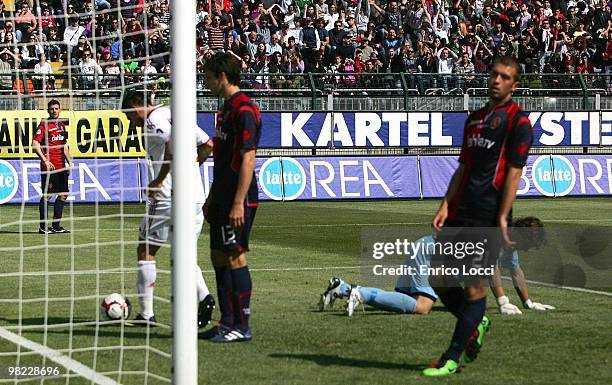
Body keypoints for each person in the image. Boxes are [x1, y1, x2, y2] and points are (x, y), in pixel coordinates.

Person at [424, 55, 533, 377]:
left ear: (514, 85)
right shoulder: (474, 119)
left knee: (474, 288)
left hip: (487, 214)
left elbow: (514, 170)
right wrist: (445, 204)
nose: (497, 80)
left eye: (505, 77)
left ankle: (452, 357)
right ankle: (477, 321)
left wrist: (502, 216)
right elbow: (463, 167)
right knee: (438, 279)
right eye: (494, 74)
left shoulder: (518, 122)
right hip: (461, 210)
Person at [320, 217, 550, 317]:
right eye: (534, 243)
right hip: (430, 254)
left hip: (425, 248)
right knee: (422, 307)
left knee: (402, 303)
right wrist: (503, 302)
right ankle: (359, 294)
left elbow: (516, 272)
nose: (533, 249)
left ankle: (344, 288)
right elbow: (492, 270)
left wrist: (528, 302)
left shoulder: (510, 245)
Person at [121, 91, 216, 328]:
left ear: (135, 106)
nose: (130, 122)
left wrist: (160, 179)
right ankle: (204, 295)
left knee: (146, 249)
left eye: (128, 116)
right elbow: (207, 145)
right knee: (183, 253)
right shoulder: (176, 114)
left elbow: (171, 143)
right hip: (195, 195)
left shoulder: (153, 121)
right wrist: (190, 169)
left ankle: (146, 314)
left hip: (167, 197)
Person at [200, 53, 261, 343]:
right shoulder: (224, 110)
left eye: (207, 76)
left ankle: (242, 324)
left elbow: (248, 159)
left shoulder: (244, 109)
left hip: (239, 197)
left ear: (221, 76)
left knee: (236, 255)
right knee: (218, 256)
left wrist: (238, 201)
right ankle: (226, 322)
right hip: (221, 195)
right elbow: (223, 160)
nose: (205, 81)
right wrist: (212, 196)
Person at [32, 100, 73, 234]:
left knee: (63, 195)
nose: (54, 111)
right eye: (51, 109)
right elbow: (35, 144)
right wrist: (44, 160)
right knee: (47, 196)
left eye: (56, 108)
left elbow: (64, 146)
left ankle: (55, 226)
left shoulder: (61, 124)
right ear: (48, 110)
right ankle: (42, 227)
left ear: (60, 110)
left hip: (61, 165)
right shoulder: (44, 124)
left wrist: (70, 162)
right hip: (50, 167)